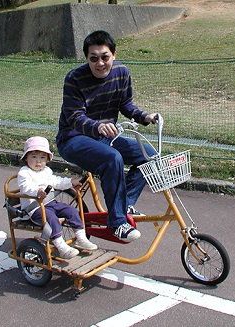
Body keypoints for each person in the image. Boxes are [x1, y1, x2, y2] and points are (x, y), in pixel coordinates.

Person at [56, 30, 159, 243]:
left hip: (104, 137)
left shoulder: (121, 72)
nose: (100, 63)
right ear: (86, 59)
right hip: (73, 138)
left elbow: (125, 104)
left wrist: (145, 117)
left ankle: (125, 204)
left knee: (149, 154)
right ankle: (118, 223)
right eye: (93, 58)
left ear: (114, 53)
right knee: (113, 158)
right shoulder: (74, 78)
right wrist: (98, 126)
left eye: (105, 56)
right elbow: (74, 117)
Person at [18, 136, 98, 259]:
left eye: (42, 157)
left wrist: (71, 182)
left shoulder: (46, 171)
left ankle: (81, 238)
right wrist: (37, 191)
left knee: (71, 211)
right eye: (33, 157)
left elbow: (56, 181)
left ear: (47, 159)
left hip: (50, 203)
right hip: (34, 208)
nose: (38, 161)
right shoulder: (24, 172)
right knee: (51, 218)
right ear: (26, 158)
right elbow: (26, 187)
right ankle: (61, 247)